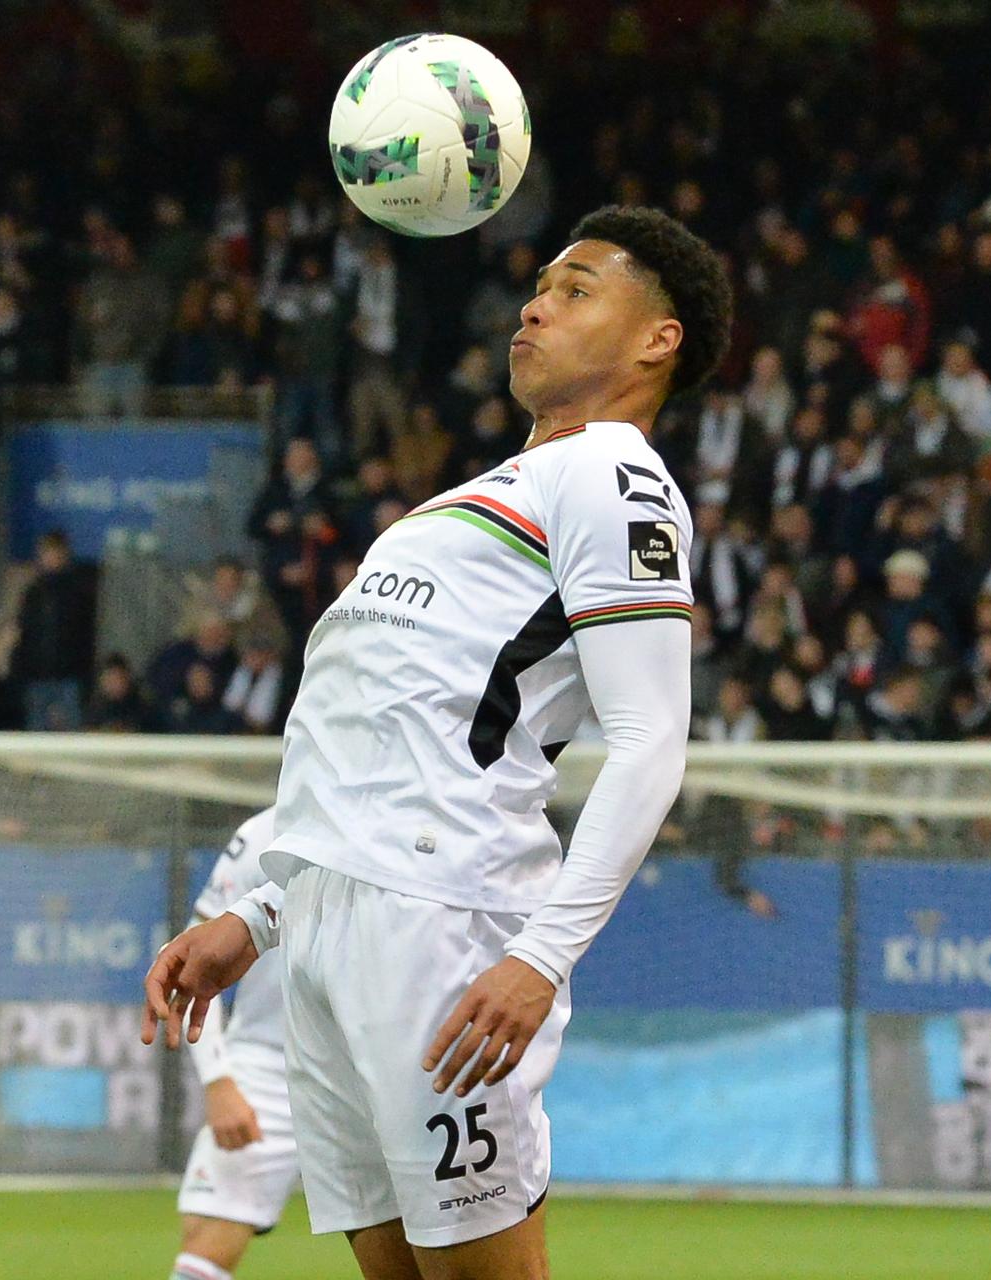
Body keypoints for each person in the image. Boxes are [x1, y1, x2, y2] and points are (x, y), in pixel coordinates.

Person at [144, 206, 729, 1279]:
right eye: (541, 283)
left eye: (579, 286)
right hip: (331, 917)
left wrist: (541, 957)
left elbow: (651, 741)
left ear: (659, 338)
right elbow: (392, 747)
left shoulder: (612, 475)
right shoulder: (468, 499)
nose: (535, 302)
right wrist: (264, 913)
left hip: (443, 920)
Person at [168, 808, 300, 1280]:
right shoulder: (263, 834)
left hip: (387, 1066)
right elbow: (192, 961)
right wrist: (219, 1079)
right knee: (205, 1230)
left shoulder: (412, 810)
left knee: (429, 1244)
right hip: (269, 1066)